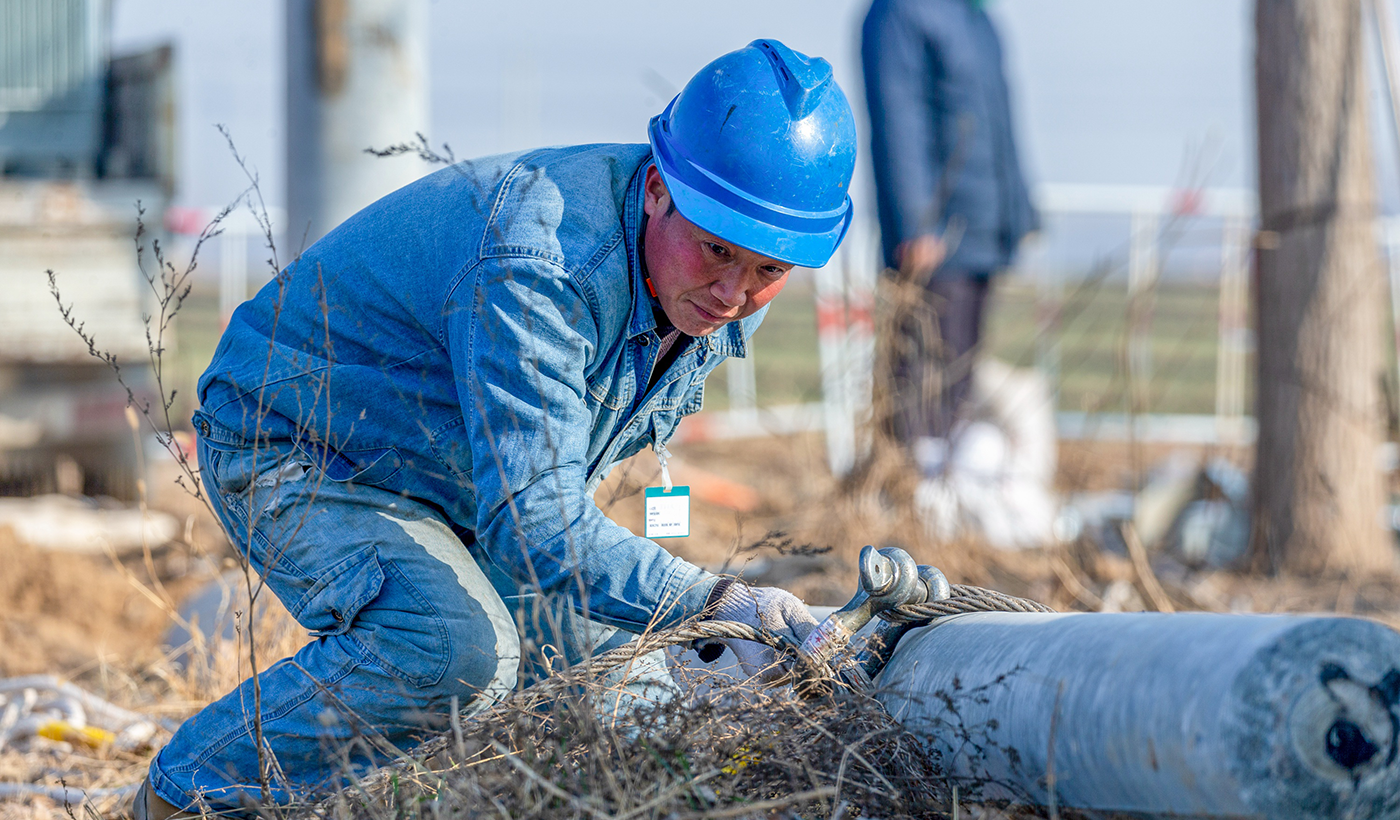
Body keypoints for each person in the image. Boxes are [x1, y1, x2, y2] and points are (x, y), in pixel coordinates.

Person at [135, 39, 858, 818]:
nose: (732, 293)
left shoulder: (689, 285)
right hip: (300, 444)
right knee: (455, 651)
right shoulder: (541, 263)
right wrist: (717, 600)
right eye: (717, 250)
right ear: (657, 188)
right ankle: (186, 797)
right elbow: (537, 524)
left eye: (767, 273)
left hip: (441, 474)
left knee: (636, 694)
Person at [861, 0, 1038, 474]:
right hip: (939, 235)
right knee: (921, 376)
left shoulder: (977, 16)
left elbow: (999, 122)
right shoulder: (902, 13)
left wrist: (1020, 211)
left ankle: (942, 488)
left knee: (961, 373)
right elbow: (899, 116)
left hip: (984, 224)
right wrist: (918, 223)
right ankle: (906, 490)